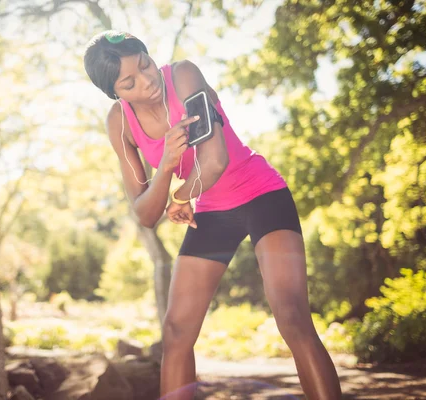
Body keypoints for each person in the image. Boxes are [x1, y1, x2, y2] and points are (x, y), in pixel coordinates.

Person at [83, 30, 342, 400]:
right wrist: (167, 166)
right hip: (213, 213)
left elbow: (215, 159)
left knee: (292, 315)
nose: (148, 81)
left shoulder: (184, 76)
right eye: (130, 82)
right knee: (175, 332)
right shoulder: (120, 123)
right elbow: (143, 211)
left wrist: (183, 193)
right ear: (115, 93)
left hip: (261, 195)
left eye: (145, 64)